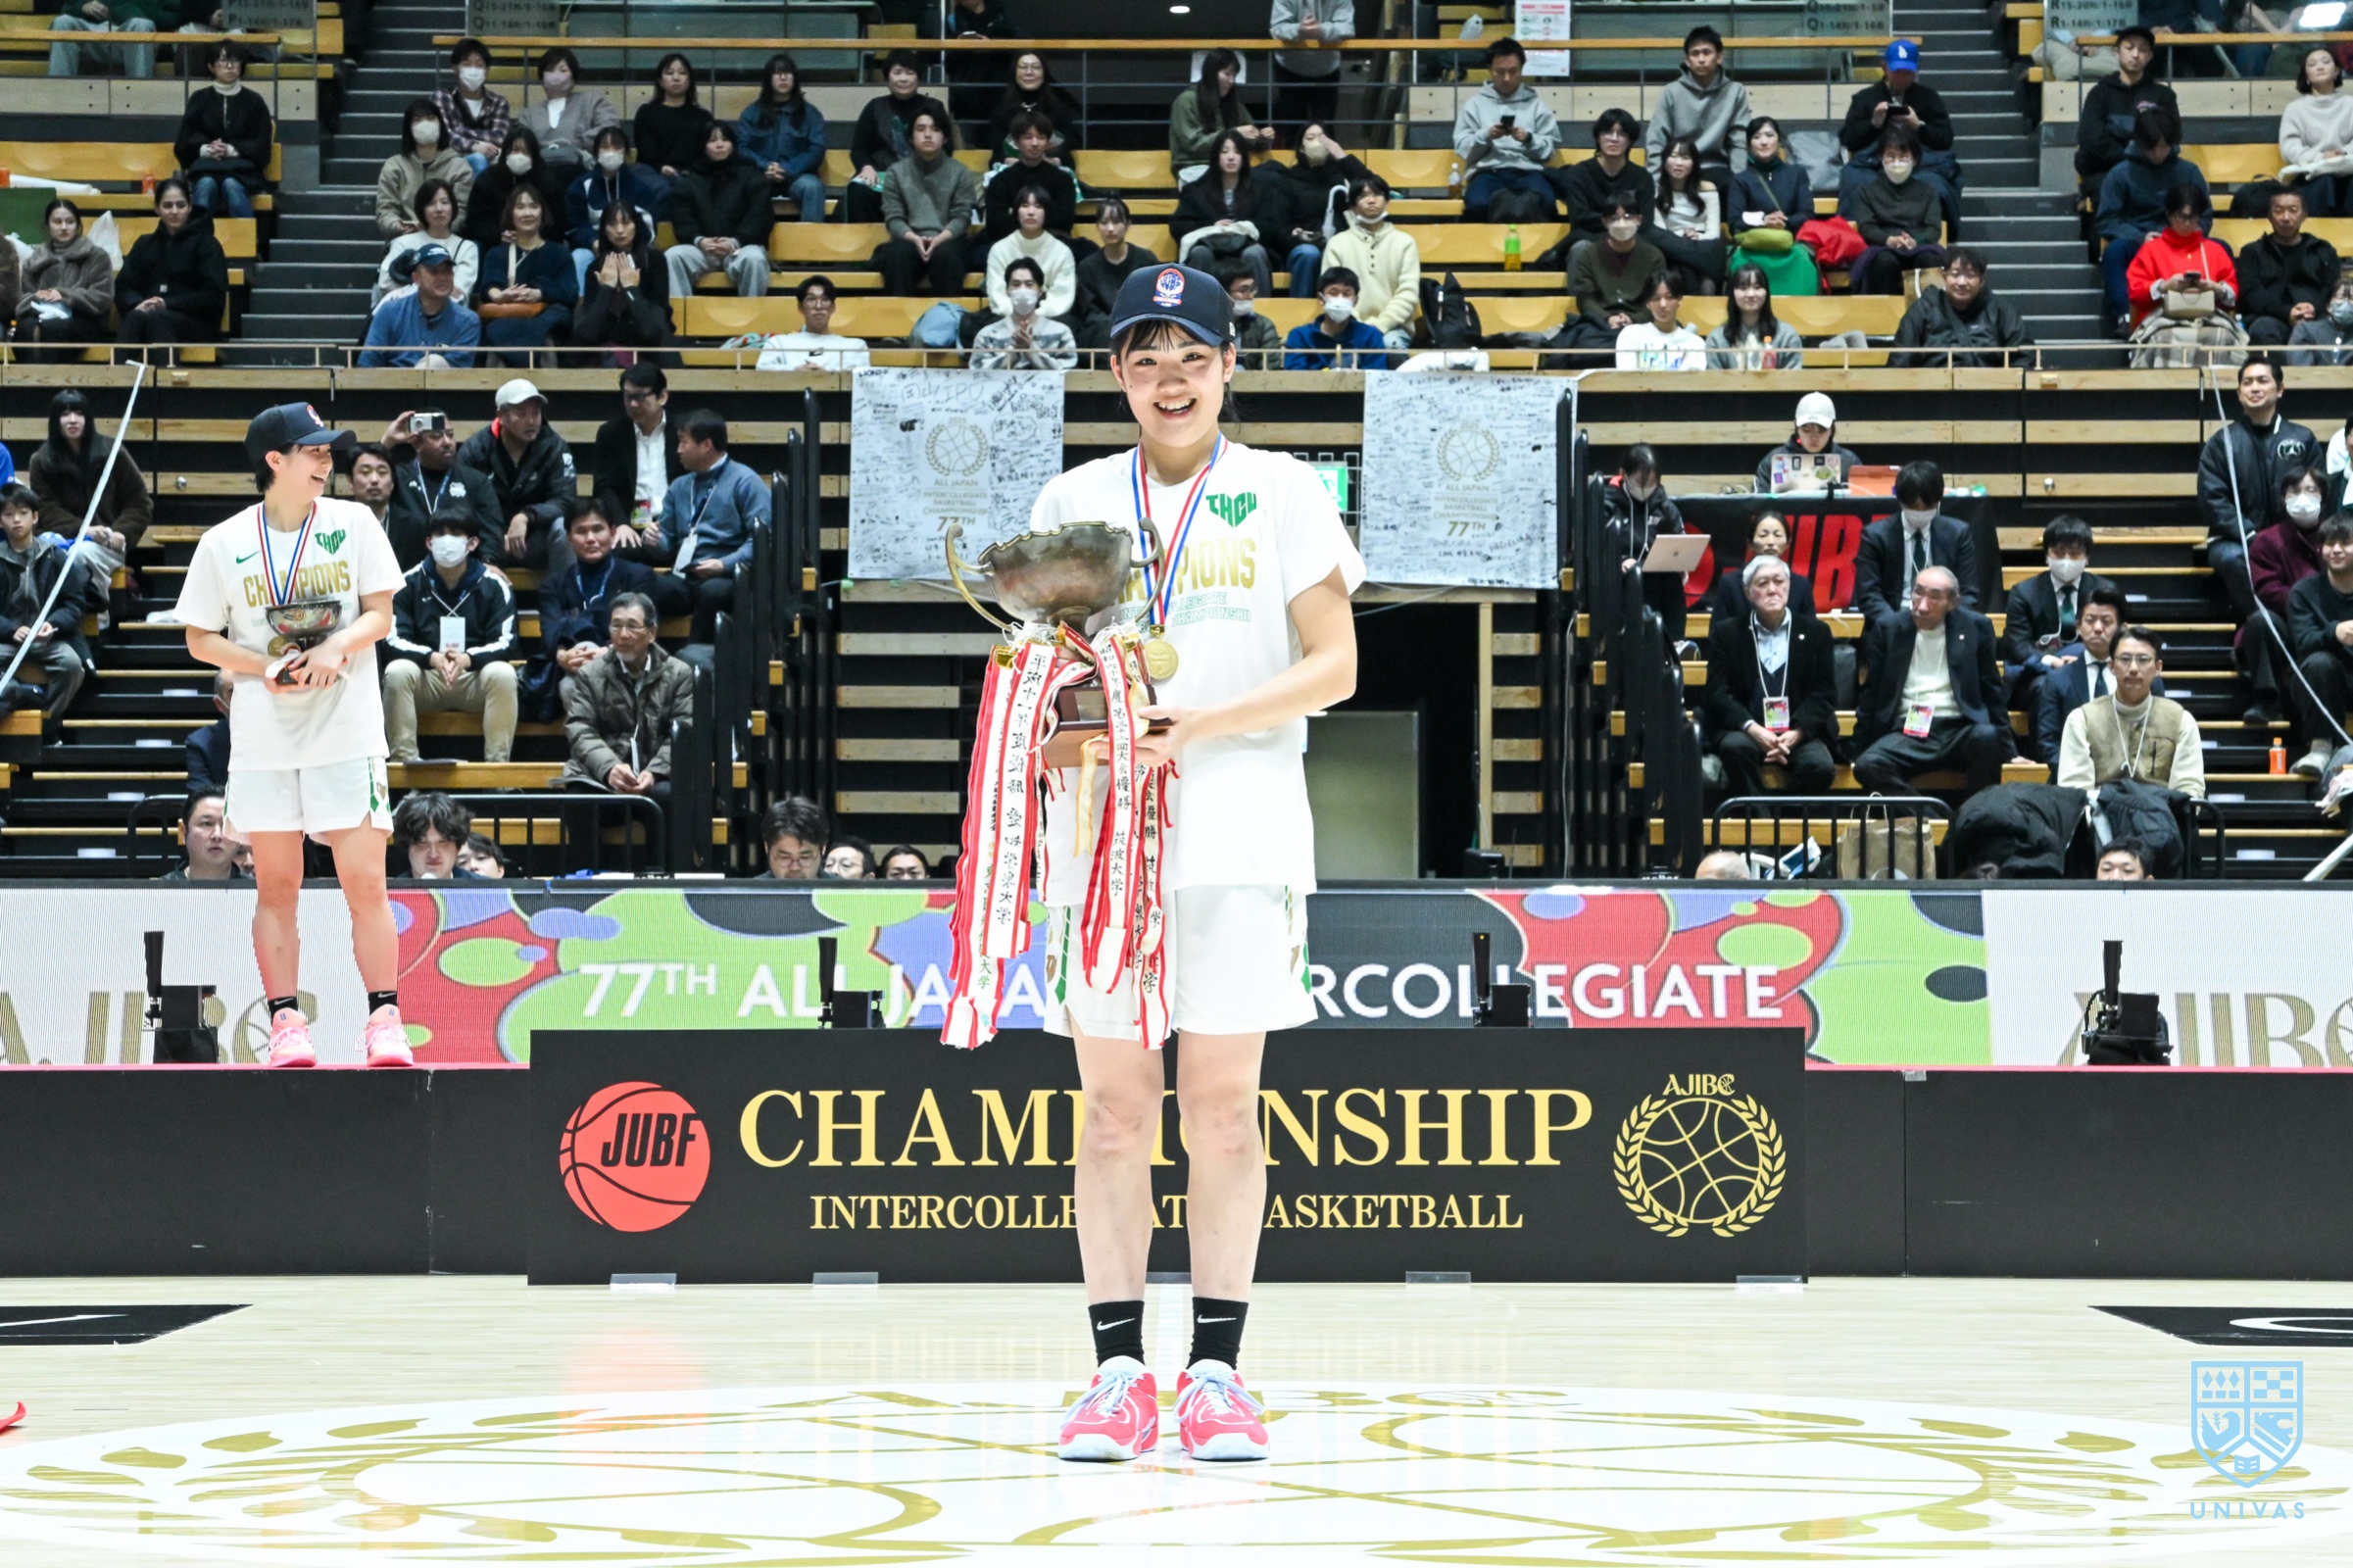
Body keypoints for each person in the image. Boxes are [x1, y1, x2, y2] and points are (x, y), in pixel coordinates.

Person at [1017, 261, 1362, 1466]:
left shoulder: (1283, 490)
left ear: (1228, 367)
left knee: (1220, 1111)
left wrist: (1197, 725)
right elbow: (1039, 684)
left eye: (1192, 358)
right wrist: (1078, 732)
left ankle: (1216, 1373)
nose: (1171, 381)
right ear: (1118, 373)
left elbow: (1335, 666)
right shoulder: (1073, 498)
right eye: (1147, 360)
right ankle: (1117, 1373)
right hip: (1100, 841)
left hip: (1241, 829)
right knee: (1115, 1113)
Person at [172, 403, 408, 1068]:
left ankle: (384, 1020)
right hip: (265, 736)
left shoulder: (354, 523)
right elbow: (199, 638)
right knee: (276, 888)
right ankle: (286, 1024)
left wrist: (336, 648)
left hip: (347, 729)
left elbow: (381, 615)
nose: (328, 462)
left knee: (366, 885)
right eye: (315, 452)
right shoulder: (224, 542)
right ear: (275, 460)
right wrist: (261, 667)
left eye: (329, 451)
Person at [2198, 356, 2315, 684]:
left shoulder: (2302, 438)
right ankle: (2273, 627)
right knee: (2232, 559)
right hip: (2236, 540)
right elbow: (2212, 499)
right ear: (2238, 394)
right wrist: (2250, 534)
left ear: (2280, 389)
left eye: (2262, 380)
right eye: (2247, 382)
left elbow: (2318, 490)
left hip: (2290, 539)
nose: (2254, 388)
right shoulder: (2222, 442)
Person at [1853, 565, 2009, 796]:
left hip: (1959, 728)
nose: (1922, 606)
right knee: (1868, 765)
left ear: (1952, 603)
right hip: (1907, 731)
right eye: (1918, 593)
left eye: (1934, 597)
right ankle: (1927, 814)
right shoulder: (1889, 628)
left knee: (1987, 738)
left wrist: (2011, 752)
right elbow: (1871, 693)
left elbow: (1992, 690)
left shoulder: (1976, 627)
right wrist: (1856, 748)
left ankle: (1975, 814)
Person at [381, 508, 519, 765]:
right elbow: (391, 640)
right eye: (439, 534)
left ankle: (498, 771)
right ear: (428, 543)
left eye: (455, 533)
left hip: (472, 678)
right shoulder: (405, 584)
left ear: (472, 543)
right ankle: (404, 766)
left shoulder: (494, 585)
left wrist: (469, 659)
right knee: (397, 671)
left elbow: (507, 642)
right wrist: (430, 657)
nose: (447, 540)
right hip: (428, 678)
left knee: (503, 673)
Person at [1702, 555, 1838, 797]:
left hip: (1798, 732)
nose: (1772, 589)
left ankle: (1781, 816)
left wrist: (1796, 734)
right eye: (1762, 583)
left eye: (1779, 581)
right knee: (1735, 748)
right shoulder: (1727, 633)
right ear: (1748, 592)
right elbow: (1717, 693)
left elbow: (1824, 693)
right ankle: (1759, 817)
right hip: (1746, 730)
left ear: (1789, 586)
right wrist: (1753, 729)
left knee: (1820, 766)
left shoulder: (1816, 632)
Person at [532, 497, 662, 716]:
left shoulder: (638, 576)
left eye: (597, 529)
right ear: (569, 538)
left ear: (613, 532)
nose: (590, 538)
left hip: (628, 666)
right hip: (573, 669)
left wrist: (606, 653)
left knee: (574, 685)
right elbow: (550, 634)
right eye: (581, 531)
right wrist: (563, 656)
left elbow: (644, 631)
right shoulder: (552, 585)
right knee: (571, 684)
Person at [561, 592, 694, 802]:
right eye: (616, 626)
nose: (623, 635)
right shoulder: (590, 674)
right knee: (578, 796)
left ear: (652, 633)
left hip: (658, 774)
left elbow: (685, 729)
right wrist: (609, 768)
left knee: (669, 795)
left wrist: (655, 772)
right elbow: (581, 729)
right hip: (605, 773)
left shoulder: (679, 674)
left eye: (632, 626)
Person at [658, 409, 768, 643]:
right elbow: (666, 540)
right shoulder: (679, 487)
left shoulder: (746, 482)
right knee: (646, 586)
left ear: (706, 445)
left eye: (684, 442)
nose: (678, 450)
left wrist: (723, 564)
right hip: (686, 575)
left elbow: (764, 539)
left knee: (713, 591)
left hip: (730, 576)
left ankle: (695, 656)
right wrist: (654, 539)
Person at [2056, 624, 2205, 798]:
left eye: (2143, 660)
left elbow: (2189, 790)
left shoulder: (2180, 720)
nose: (2133, 668)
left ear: (2158, 668)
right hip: (2101, 812)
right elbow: (2074, 793)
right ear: (2112, 666)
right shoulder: (2082, 719)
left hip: (2161, 813)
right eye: (2125, 659)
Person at [2095, 111, 2206, 336]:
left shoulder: (2188, 171)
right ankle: (2123, 315)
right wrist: (2139, 237)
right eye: (2151, 147)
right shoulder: (2120, 174)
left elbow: (2204, 215)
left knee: (2221, 248)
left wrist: (2182, 233)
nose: (2158, 154)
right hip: (2139, 241)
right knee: (2114, 252)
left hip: (2181, 239)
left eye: (2163, 147)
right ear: (2140, 143)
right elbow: (2107, 219)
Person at [2003, 514, 2115, 737]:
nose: (2066, 560)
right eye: (2058, 553)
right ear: (2047, 555)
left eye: (2074, 554)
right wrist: (2052, 661)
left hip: (2091, 665)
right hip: (2038, 673)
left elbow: (2115, 637)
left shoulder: (2105, 591)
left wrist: (2084, 660)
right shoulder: (2023, 593)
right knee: (2048, 686)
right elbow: (2018, 645)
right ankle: (2045, 753)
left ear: (2087, 557)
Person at [459, 378, 578, 572]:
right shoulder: (475, 449)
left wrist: (526, 516)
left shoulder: (555, 447)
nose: (531, 421)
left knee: (562, 526)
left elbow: (565, 501)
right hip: (485, 541)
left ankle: (565, 590)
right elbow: (461, 502)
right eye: (521, 414)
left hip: (534, 540)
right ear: (501, 416)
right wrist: (492, 539)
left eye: (536, 413)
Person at [0, 480, 94, 723]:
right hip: (6, 641)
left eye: (23, 513)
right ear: (0, 521)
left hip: (48, 640)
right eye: (8, 514)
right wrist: (10, 629)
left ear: (35, 517)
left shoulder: (54, 556)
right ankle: (20, 695)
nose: (16, 520)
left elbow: (74, 603)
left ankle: (46, 723)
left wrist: (53, 624)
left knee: (72, 665)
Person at [2246, 464, 2329, 739]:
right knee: (2260, 621)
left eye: (2311, 490)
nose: (2303, 497)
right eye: (2295, 491)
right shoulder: (2267, 541)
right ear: (2283, 498)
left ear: (2323, 497)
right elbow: (2267, 590)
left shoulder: (2338, 538)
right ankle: (2267, 700)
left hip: (2332, 623)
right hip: (2288, 624)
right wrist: (2305, 607)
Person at [29, 388, 150, 569]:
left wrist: (121, 532)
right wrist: (83, 530)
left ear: (88, 418)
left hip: (105, 545)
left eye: (79, 413)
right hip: (61, 540)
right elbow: (46, 509)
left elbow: (139, 503)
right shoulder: (40, 461)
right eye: (65, 414)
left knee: (80, 554)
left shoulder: (113, 453)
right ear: (55, 420)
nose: (73, 420)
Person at [1837, 40, 1958, 220]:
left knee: (1936, 185)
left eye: (1908, 73)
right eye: (1897, 72)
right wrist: (1874, 124)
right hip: (1873, 165)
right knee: (1855, 182)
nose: (1902, 77)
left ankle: (1930, 232)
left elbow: (1945, 139)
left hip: (1920, 165)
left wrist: (1918, 126)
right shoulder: (1865, 98)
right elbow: (1848, 139)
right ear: (1884, 67)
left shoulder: (1928, 98)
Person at [662, 122, 774, 303]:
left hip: (740, 248)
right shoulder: (689, 181)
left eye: (725, 139)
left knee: (754, 258)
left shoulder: (752, 177)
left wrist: (735, 241)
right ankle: (680, 318)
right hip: (702, 249)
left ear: (733, 144)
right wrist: (700, 240)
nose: (719, 145)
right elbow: (682, 218)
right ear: (703, 146)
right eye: (713, 140)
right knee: (673, 256)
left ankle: (751, 317)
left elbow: (759, 216)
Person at [2033, 586, 2146, 764]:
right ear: (2078, 626)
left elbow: (2156, 736)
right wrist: (2076, 774)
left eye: (2106, 621)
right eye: (2090, 620)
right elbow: (2048, 742)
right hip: (2072, 776)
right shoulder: (2057, 680)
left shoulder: (2144, 679)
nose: (2098, 628)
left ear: (2122, 629)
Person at [1855, 460, 1981, 621]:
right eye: (1913, 508)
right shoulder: (1875, 536)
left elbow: (1968, 594)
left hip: (1943, 622)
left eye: (1927, 507)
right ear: (1900, 501)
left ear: (1938, 501)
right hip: (1892, 621)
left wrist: (1945, 624)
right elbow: (1869, 595)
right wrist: (1896, 626)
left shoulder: (1958, 534)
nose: (1920, 512)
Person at [378, 408, 502, 567]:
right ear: (416, 442)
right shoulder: (398, 478)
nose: (447, 442)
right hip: (407, 571)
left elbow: (491, 529)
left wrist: (489, 561)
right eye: (436, 436)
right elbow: (366, 474)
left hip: (463, 573)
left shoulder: (475, 480)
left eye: (450, 434)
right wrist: (387, 442)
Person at [875, 105, 979, 296]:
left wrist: (940, 239)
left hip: (949, 239)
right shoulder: (896, 172)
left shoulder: (960, 172)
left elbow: (962, 216)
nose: (928, 135)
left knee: (947, 256)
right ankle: (898, 314)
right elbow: (893, 217)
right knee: (898, 256)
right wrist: (914, 238)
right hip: (909, 239)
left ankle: (947, 313)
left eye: (936, 129)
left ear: (945, 138)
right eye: (921, 129)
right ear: (910, 137)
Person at [115, 178, 227, 350]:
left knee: (158, 319)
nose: (174, 211)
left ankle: (165, 368)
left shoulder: (207, 244)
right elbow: (124, 286)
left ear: (190, 206)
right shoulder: (144, 244)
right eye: (167, 206)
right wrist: (138, 304)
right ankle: (118, 368)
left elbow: (213, 297)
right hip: (150, 317)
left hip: (196, 324)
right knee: (135, 316)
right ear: (157, 208)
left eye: (180, 205)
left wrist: (168, 304)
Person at [1453, 37, 1557, 220]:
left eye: (1513, 71)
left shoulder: (1537, 105)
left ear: (1521, 69)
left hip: (1528, 170)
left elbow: (1548, 152)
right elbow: (1463, 150)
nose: (1506, 78)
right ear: (1490, 69)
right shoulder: (1474, 105)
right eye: (1500, 72)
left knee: (1546, 202)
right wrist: (1486, 136)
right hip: (1487, 171)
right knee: (1477, 204)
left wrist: (1528, 139)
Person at [846, 51, 952, 225]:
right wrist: (866, 168)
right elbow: (859, 150)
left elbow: (946, 148)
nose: (903, 79)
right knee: (859, 192)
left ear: (918, 78)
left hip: (923, 176)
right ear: (887, 78)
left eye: (910, 73)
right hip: (882, 175)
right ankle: (869, 239)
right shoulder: (875, 107)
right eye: (897, 72)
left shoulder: (933, 107)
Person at [472, 185, 574, 363]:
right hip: (506, 319)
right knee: (496, 336)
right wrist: (500, 296)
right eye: (520, 207)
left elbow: (569, 291)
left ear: (542, 212)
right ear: (511, 214)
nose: (527, 213)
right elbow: (490, 286)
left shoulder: (559, 253)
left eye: (533, 206)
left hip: (546, 323)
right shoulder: (497, 253)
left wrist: (539, 294)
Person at [1171, 131, 1276, 299]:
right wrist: (1212, 227)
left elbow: (1272, 225)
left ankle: (1260, 311)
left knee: (1254, 253)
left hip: (1245, 248)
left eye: (1237, 152)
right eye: (1224, 151)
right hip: (1210, 249)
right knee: (1199, 253)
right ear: (1215, 156)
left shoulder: (1261, 188)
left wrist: (1244, 227)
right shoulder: (1196, 190)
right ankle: (1197, 310)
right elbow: (1178, 225)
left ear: (1244, 156)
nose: (1231, 157)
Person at [1558, 197, 1666, 357]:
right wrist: (1607, 318)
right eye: (1614, 218)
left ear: (1639, 219)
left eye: (1628, 217)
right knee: (1582, 348)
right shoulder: (1588, 255)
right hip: (1600, 326)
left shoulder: (1653, 256)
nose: (1621, 223)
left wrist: (1635, 319)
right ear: (1604, 222)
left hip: (1643, 324)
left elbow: (1656, 298)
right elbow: (1586, 298)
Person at [2286, 514, 2353, 775]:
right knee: (2318, 663)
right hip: (2326, 681)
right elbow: (2303, 644)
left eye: (2345, 543)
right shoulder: (2303, 592)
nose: (2336, 550)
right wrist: (2333, 633)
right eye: (2329, 543)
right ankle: (2320, 748)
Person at [1320, 175, 1418, 352]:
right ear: (1353, 206)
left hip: (1393, 328)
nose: (1371, 200)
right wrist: (1359, 326)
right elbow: (1332, 292)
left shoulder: (1405, 242)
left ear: (1387, 201)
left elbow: (1408, 292)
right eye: (1363, 196)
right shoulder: (1337, 243)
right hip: (1346, 325)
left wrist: (1381, 325)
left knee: (1390, 344)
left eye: (1377, 194)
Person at [175, 42, 271, 220]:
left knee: (231, 185)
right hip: (206, 168)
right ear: (211, 66)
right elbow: (183, 143)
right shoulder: (199, 98)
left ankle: (245, 236)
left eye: (235, 60)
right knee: (205, 185)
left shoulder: (254, 101)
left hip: (242, 172)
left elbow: (261, 146)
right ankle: (198, 234)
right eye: (222, 60)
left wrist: (231, 149)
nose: (229, 66)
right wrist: (207, 149)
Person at [2122, 180, 2234, 330]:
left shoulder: (2215, 251)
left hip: (2207, 321)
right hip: (2161, 321)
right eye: (2182, 217)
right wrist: (2164, 286)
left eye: (2193, 217)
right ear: (2169, 215)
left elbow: (2233, 295)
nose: (2187, 223)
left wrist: (2216, 288)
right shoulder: (2151, 250)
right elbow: (2135, 293)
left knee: (2223, 338)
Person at [1646, 26, 1750, 190]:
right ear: (1687, 60)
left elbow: (1739, 141)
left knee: (1732, 187)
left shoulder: (1735, 91)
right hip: (1679, 166)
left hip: (1717, 168)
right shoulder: (1671, 92)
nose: (1701, 59)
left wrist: (1740, 183)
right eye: (1695, 54)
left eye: (1707, 52)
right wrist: (1654, 186)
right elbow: (1656, 141)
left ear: (1719, 57)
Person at [2075, 26, 2173, 198]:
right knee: (2111, 191)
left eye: (2143, 50)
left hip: (2150, 173)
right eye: (2129, 48)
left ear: (2149, 56)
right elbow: (2091, 139)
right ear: (2116, 52)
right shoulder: (2099, 93)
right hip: (2105, 171)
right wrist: (2133, 152)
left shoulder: (2163, 95)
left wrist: (2118, 133)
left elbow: (2169, 138)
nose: (2136, 55)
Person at [1889, 248, 2030, 368]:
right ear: (1944, 277)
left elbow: (2024, 357)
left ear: (1981, 280)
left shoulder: (1999, 310)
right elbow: (1901, 360)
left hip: (1989, 388)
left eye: (1970, 275)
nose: (1962, 282)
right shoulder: (1923, 308)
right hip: (1933, 388)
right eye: (1955, 274)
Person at [1850, 126, 1946, 295]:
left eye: (1903, 157)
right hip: (1882, 247)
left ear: (1914, 159)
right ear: (1881, 158)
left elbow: (1933, 228)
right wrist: (1888, 240)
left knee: (1930, 259)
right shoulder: (1866, 191)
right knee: (1884, 262)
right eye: (1890, 156)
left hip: (1919, 246)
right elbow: (1867, 227)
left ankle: (1929, 310)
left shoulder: (1929, 191)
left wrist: (1916, 241)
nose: (1897, 162)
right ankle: (1884, 311)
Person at [1603, 443, 1689, 634]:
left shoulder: (1665, 508)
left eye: (1651, 483)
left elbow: (1679, 541)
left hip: (1656, 577)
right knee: (1636, 579)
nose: (1645, 489)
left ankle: (1676, 642)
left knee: (1671, 581)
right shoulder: (1605, 505)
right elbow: (1594, 550)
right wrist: (1620, 561)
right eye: (1639, 483)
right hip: (1618, 580)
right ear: (1623, 474)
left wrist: (1679, 563)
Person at [2237, 187, 2338, 347]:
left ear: (2304, 215)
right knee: (2262, 329)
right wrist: (2287, 312)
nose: (2286, 217)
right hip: (2270, 318)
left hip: (2316, 316)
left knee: (2330, 329)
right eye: (2278, 211)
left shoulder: (2322, 250)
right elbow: (2251, 294)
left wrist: (2314, 308)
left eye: (2293, 210)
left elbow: (2331, 288)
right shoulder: (2253, 252)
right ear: (2269, 216)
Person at [572, 202, 670, 366]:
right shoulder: (595, 267)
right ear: (604, 229)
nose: (619, 230)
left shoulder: (655, 261)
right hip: (605, 346)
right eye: (612, 224)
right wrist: (607, 288)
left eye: (626, 223)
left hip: (649, 349)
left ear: (636, 225)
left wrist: (631, 288)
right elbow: (587, 335)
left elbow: (652, 332)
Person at [564, 126, 665, 284]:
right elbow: (574, 226)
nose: (611, 152)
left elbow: (648, 226)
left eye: (617, 147)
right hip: (593, 247)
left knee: (653, 257)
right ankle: (582, 299)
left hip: (633, 247)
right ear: (596, 152)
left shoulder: (641, 188)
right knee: (580, 256)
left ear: (625, 152)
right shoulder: (581, 186)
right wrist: (593, 241)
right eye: (605, 147)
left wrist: (629, 246)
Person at [15, 199, 113, 360]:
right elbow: (22, 299)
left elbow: (102, 297)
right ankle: (32, 376)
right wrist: (36, 297)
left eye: (70, 222)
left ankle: (50, 377)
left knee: (55, 328)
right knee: (26, 328)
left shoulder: (97, 256)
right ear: (48, 226)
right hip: (41, 316)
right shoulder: (35, 260)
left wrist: (64, 296)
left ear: (78, 225)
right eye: (57, 222)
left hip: (83, 320)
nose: (64, 227)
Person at [589, 363, 680, 536]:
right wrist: (620, 524)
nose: (632, 404)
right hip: (631, 524)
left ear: (662, 396)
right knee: (621, 547)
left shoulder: (682, 431)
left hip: (675, 524)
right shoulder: (611, 433)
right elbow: (604, 488)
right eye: (627, 397)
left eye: (640, 397)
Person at [359, 242, 481, 369]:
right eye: (434, 271)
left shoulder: (468, 321)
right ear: (416, 278)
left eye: (447, 271)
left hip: (441, 381)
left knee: (436, 362)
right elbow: (368, 363)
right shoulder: (389, 311)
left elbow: (458, 371)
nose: (443, 277)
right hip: (392, 381)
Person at [736, 52, 825, 220]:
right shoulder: (751, 113)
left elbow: (816, 150)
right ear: (768, 79)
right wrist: (766, 167)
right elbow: (741, 149)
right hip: (761, 175)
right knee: (740, 186)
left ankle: (810, 238)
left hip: (797, 176)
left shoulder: (811, 114)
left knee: (813, 187)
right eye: (777, 73)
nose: (783, 77)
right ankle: (747, 237)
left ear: (795, 78)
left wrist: (786, 169)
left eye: (787, 73)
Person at [984, 183, 1079, 331]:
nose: (1030, 212)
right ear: (1016, 211)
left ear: (1046, 212)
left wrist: (1035, 317)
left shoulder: (1062, 252)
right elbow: (998, 296)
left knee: (1069, 325)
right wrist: (1018, 317)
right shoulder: (999, 250)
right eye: (1025, 205)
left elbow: (1061, 298)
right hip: (1008, 316)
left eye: (1038, 206)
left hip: (1047, 317)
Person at [1170, 47, 1273, 181]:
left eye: (1234, 76)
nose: (1231, 81)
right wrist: (1234, 133)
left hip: (1231, 167)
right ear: (1211, 73)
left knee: (1271, 178)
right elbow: (1193, 145)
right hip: (1195, 167)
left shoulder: (1234, 105)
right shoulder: (1187, 101)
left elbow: (1249, 139)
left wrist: (1261, 138)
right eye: (1227, 74)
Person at [982, 113, 1084, 246]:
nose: (1035, 143)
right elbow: (995, 223)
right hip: (1009, 243)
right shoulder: (1000, 181)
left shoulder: (1062, 180)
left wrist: (1014, 213)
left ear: (1048, 142)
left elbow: (1064, 222)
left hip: (1052, 243)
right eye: (1028, 137)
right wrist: (1044, 215)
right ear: (1016, 142)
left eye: (1041, 137)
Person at [378, 100, 475, 238]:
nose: (425, 124)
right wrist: (398, 226)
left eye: (430, 119)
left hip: (445, 238)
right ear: (408, 128)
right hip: (405, 239)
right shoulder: (394, 166)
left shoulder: (459, 167)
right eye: (417, 120)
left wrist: (439, 229)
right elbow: (386, 210)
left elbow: (461, 211)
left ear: (441, 124)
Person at [462, 126, 566, 253]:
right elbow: (476, 221)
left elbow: (557, 224)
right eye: (516, 150)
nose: (520, 156)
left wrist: (532, 236)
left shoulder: (547, 181)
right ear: (506, 152)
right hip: (496, 245)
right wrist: (498, 235)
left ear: (534, 155)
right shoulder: (488, 178)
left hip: (538, 245)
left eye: (526, 151)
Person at [373, 180, 477, 309]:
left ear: (453, 207)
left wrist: (413, 288)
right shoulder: (403, 242)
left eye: (444, 202)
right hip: (404, 311)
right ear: (422, 209)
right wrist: (433, 290)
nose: (439, 209)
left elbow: (457, 294)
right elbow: (385, 283)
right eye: (431, 204)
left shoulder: (467, 248)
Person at [1702, 509, 1819, 623]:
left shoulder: (1801, 585)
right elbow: (1717, 631)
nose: (1771, 542)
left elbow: (1811, 630)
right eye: (1763, 535)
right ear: (1750, 543)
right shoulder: (1730, 583)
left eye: (1778, 535)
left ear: (1788, 543)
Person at [520, 46, 618, 177]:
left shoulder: (591, 101)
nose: (556, 75)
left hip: (583, 170)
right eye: (550, 70)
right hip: (541, 173)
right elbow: (523, 143)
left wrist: (579, 144)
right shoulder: (529, 114)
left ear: (573, 75)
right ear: (542, 76)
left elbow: (609, 127)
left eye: (563, 70)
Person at [2280, 44, 2353, 219]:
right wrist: (2321, 157)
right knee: (2325, 181)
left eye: (2325, 62)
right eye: (2312, 64)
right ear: (2306, 75)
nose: (2320, 67)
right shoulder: (2295, 109)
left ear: (2336, 71)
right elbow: (2290, 147)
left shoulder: (2350, 103)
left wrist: (2342, 154)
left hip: (2348, 168)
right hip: (2312, 175)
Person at [1075, 197, 1158, 348]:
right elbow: (1090, 311)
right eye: (1104, 222)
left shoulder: (1146, 260)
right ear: (1097, 226)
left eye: (1116, 221)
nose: (1110, 228)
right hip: (1104, 331)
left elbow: (1155, 301)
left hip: (1140, 325)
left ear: (1128, 224)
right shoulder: (1087, 267)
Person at [928, 0, 1018, 136]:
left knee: (999, 136)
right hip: (966, 95)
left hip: (999, 91)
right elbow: (948, 63)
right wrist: (959, 47)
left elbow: (1020, 46)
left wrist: (993, 46)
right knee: (968, 140)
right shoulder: (953, 21)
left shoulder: (1002, 15)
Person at [972, 255, 1078, 369]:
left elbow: (1069, 373)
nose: (1022, 290)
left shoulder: (1061, 332)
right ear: (1007, 290)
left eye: (1029, 284)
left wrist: (1031, 349)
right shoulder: (988, 335)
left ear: (1040, 291)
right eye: (1016, 284)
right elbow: (977, 373)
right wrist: (1013, 353)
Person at [1649, 135, 1724, 294]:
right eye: (1673, 156)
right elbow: (1660, 232)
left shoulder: (1707, 189)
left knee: (1714, 252)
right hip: (1671, 244)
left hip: (1702, 243)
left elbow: (1714, 232)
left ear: (1694, 162)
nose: (1678, 163)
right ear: (1664, 160)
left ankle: (1706, 306)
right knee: (1679, 264)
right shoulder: (1655, 191)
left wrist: (1697, 237)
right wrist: (1682, 237)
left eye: (1685, 158)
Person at [1283, 266, 1392, 369]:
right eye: (1333, 293)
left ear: (1355, 301)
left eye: (1346, 294)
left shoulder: (1371, 336)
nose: (1340, 298)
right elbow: (1294, 377)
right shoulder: (1300, 336)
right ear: (1320, 298)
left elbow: (1375, 377)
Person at [635, 51, 715, 189]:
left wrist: (689, 172)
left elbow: (706, 155)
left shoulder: (703, 117)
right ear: (660, 81)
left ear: (689, 80)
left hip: (692, 178)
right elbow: (645, 151)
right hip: (655, 176)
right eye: (669, 73)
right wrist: (661, 167)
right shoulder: (646, 113)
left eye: (682, 73)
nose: (676, 78)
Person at [756, 275, 870, 372]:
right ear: (800, 307)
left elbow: (861, 376)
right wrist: (795, 371)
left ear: (833, 307)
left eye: (825, 299)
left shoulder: (854, 346)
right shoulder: (778, 343)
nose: (818, 306)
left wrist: (825, 374)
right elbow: (762, 370)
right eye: (811, 299)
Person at [985, 50, 1082, 163]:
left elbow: (1064, 155)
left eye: (1035, 67)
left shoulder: (1060, 110)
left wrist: (1042, 163)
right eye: (1023, 67)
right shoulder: (1001, 111)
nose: (1029, 72)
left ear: (1044, 73)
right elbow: (998, 156)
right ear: (1014, 73)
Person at [1752, 392, 1860, 492]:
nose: (1814, 437)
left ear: (1831, 429)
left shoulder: (1849, 463)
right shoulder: (1773, 462)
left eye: (1821, 430)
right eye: (1806, 430)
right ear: (1796, 427)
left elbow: (1861, 502)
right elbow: (1757, 502)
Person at [1705, 262, 1804, 368]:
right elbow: (1713, 378)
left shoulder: (1787, 336)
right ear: (1732, 293)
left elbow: (1794, 377)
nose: (1751, 294)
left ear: (1766, 292)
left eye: (1757, 287)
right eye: (1743, 288)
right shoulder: (1717, 339)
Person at [1270, 0, 1352, 127]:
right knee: (1293, 127)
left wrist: (1321, 30)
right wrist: (1299, 29)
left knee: (1324, 128)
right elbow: (1277, 28)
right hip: (1289, 68)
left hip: (1326, 70)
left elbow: (1348, 28)